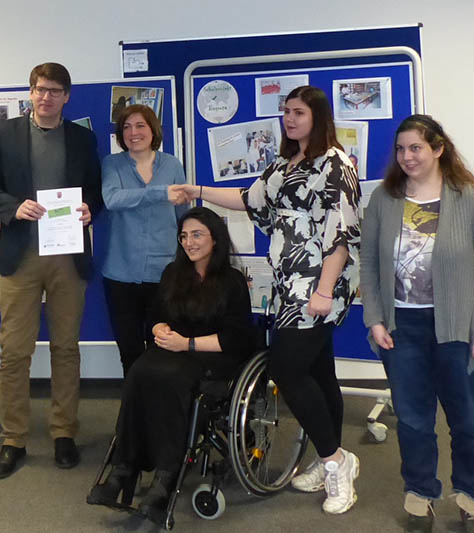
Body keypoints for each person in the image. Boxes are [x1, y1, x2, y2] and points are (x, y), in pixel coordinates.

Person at [180, 85, 361, 515]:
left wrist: (321, 292)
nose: (290, 119)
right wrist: (197, 192)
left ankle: (338, 462)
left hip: (318, 288)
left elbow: (342, 234)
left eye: (298, 112)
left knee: (287, 368)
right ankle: (326, 453)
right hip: (287, 285)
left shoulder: (334, 164)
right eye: (286, 112)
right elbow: (248, 199)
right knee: (318, 372)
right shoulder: (284, 162)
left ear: (318, 116)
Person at [87, 207, 254, 523]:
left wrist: (186, 344)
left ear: (215, 239)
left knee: (171, 378)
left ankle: (165, 477)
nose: (189, 242)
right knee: (139, 371)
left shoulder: (231, 281)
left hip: (212, 354)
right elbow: (155, 315)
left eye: (197, 235)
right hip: (174, 350)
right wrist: (158, 329)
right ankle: (124, 468)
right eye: (184, 236)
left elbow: (237, 338)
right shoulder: (173, 274)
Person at [0, 62, 102, 479]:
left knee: (66, 348)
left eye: (53, 90)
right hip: (20, 257)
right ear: (30, 94)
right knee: (15, 352)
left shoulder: (84, 139)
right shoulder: (7, 133)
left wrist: (90, 209)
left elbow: (97, 194)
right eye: (38, 89)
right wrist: (12, 207)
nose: (44, 96)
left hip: (68, 258)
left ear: (67, 96)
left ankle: (64, 432)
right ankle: (13, 439)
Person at [359, 114, 474, 531]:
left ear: (438, 149)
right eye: (400, 149)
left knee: (468, 419)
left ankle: (470, 491)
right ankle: (420, 492)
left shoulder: (468, 198)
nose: (407, 156)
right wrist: (374, 318)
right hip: (401, 327)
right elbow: (370, 265)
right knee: (412, 419)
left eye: (416, 148)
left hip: (457, 327)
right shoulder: (384, 199)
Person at [101, 104, 188, 376]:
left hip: (165, 273)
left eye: (140, 125)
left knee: (161, 347)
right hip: (120, 274)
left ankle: (158, 411)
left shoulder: (172, 164)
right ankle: (134, 411)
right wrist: (160, 193)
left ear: (153, 130)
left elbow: (182, 217)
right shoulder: (111, 164)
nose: (133, 132)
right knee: (129, 350)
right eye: (126, 127)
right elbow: (112, 199)